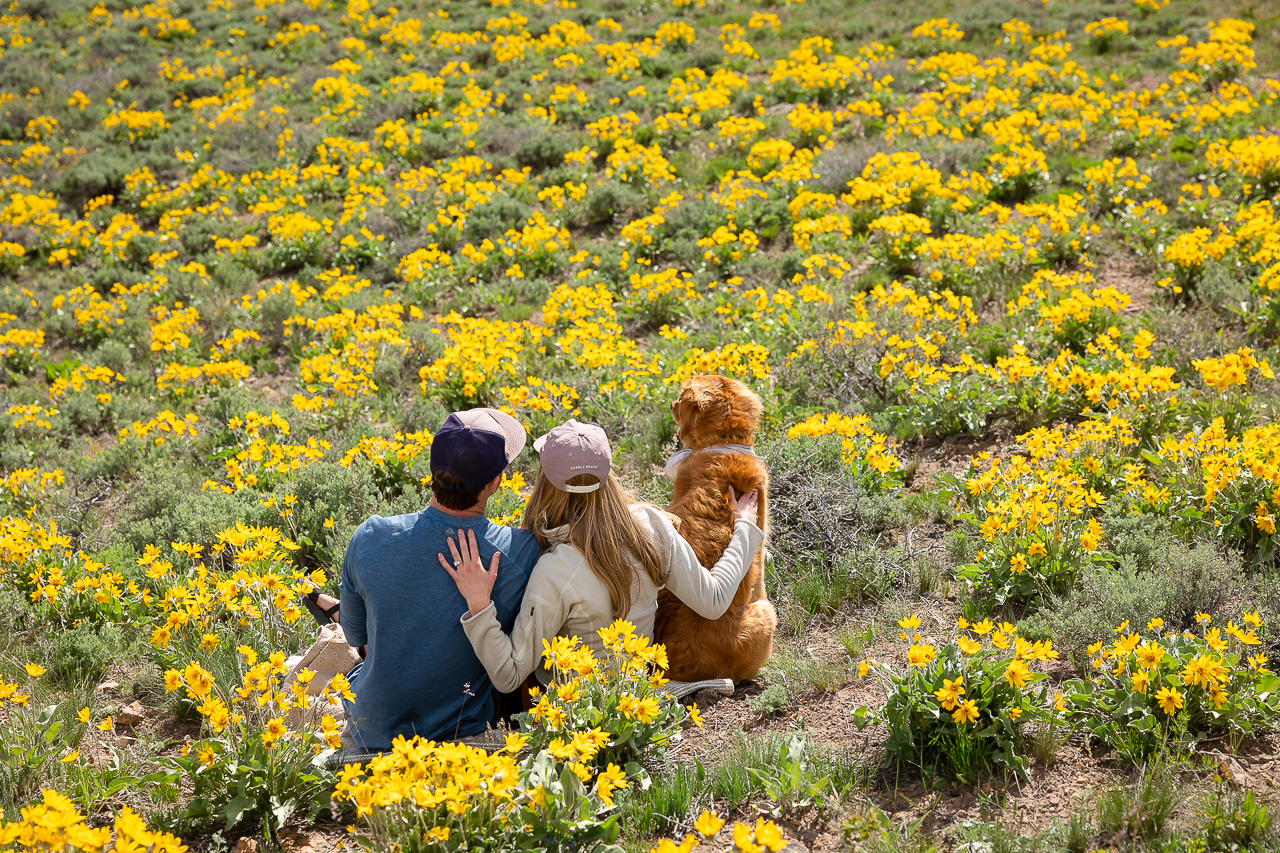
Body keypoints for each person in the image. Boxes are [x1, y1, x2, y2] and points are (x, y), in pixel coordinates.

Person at [441, 419, 764, 694]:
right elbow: (714, 599)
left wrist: (480, 606)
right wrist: (745, 530)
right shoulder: (652, 527)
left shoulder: (555, 568)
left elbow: (509, 676)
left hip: (577, 710)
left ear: (546, 484)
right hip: (639, 696)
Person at [337, 408, 542, 750]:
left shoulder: (370, 537)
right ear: (494, 483)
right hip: (460, 724)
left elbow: (357, 638)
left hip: (374, 726)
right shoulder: (519, 552)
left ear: (433, 470)